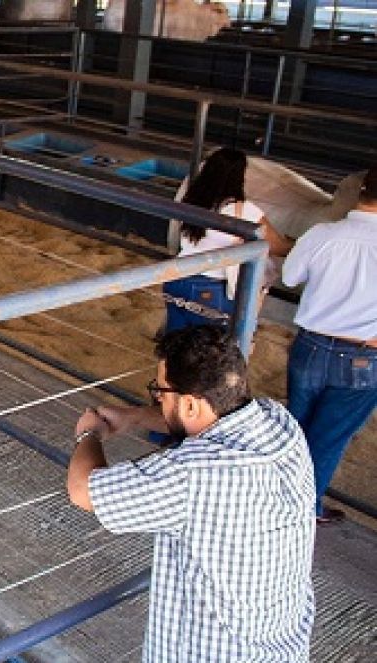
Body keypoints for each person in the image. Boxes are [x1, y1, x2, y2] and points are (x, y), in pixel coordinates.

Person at [67, 325, 315, 662]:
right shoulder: (278, 422)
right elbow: (206, 425)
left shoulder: (192, 474)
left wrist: (88, 436)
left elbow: (84, 491)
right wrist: (136, 417)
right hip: (280, 646)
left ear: (190, 405)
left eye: (161, 394)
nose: (157, 399)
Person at [282, 166, 377, 525]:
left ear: (360, 191)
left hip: (311, 348)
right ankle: (303, 515)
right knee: (328, 440)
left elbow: (291, 277)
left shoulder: (322, 234)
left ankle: (273, 501)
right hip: (364, 357)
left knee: (296, 429)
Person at [165, 148, 292, 333]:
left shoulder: (192, 201)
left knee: (174, 348)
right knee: (212, 353)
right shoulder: (245, 210)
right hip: (212, 288)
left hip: (177, 278)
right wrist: (296, 243)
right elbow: (278, 247)